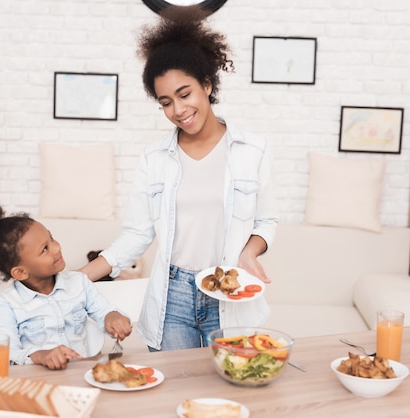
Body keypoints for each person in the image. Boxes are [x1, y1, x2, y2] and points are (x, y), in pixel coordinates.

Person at [80, 7, 278, 352]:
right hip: (174, 296)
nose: (179, 111)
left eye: (185, 94)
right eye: (166, 102)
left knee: (227, 390)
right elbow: (137, 234)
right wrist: (80, 277)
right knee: (175, 394)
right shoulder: (154, 158)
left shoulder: (252, 150)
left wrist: (249, 252)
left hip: (228, 290)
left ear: (207, 84)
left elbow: (266, 220)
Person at [0, 204, 133, 370]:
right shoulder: (6, 305)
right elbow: (8, 353)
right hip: (37, 382)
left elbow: (103, 310)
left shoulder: (79, 282)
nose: (57, 248)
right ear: (20, 272)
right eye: (44, 249)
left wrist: (112, 317)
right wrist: (40, 356)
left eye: (51, 238)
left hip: (81, 374)